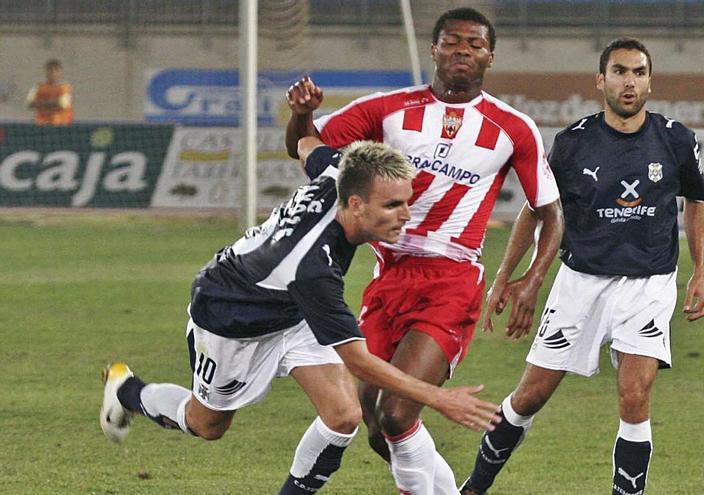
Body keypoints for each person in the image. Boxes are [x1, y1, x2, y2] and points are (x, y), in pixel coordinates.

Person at [99, 138, 500, 495]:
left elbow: (306, 144)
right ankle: (126, 389)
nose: (406, 214)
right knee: (207, 424)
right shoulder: (312, 267)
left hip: (292, 309)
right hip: (229, 319)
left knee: (343, 415)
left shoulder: (339, 171)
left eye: (407, 202)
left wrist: (301, 114)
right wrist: (439, 398)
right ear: (356, 204)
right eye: (393, 205)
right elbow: (358, 360)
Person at [285, 7, 563, 494]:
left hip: (451, 280)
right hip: (388, 276)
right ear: (434, 49)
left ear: (490, 57)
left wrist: (529, 280)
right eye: (453, 42)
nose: (463, 51)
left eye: (474, 44)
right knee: (373, 423)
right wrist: (302, 114)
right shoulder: (389, 109)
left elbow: (551, 213)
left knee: (395, 412)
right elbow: (304, 146)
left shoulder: (512, 127)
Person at [459, 37, 704, 495]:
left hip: (648, 283)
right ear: (601, 81)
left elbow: (696, 201)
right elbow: (537, 210)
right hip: (580, 281)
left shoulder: (675, 138)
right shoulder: (573, 143)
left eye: (638, 72)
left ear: (650, 82)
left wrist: (701, 272)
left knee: (635, 396)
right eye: (619, 71)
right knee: (530, 396)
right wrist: (508, 277)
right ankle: (473, 488)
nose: (628, 81)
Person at [26, 59, 73, 125]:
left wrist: (40, 103)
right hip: (41, 124)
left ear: (60, 72)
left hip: (60, 125)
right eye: (50, 70)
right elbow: (29, 102)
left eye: (56, 70)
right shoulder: (38, 87)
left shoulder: (65, 88)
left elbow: (62, 103)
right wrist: (52, 103)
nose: (53, 73)